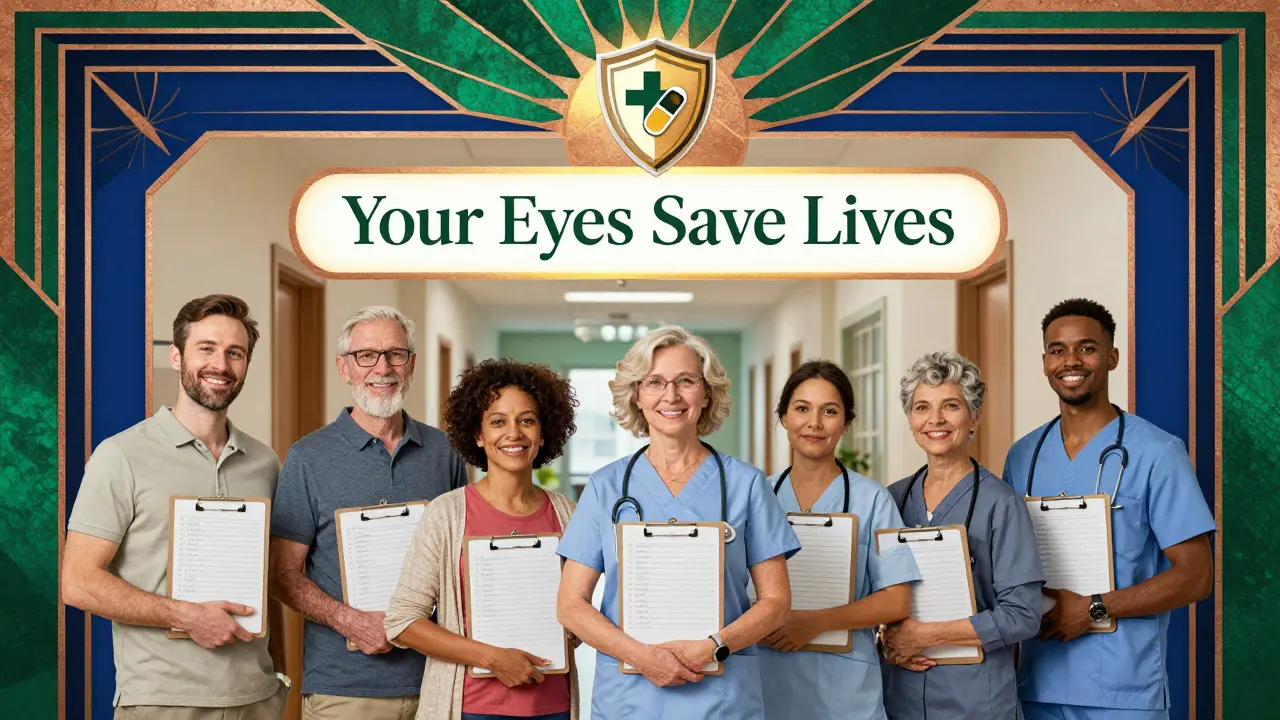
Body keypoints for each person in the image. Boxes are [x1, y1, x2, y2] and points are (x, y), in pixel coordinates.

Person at [555, 326, 801, 720]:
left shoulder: (746, 484)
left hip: (722, 696)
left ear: (706, 393)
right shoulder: (606, 486)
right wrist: (642, 657)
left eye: (686, 381)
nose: (671, 396)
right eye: (654, 382)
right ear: (637, 395)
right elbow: (570, 605)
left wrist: (712, 647)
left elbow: (777, 603)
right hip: (629, 697)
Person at [61, 294, 288, 718]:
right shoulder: (121, 455)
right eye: (207, 348)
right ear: (177, 356)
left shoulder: (265, 462)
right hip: (162, 702)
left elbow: (267, 580)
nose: (220, 364)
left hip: (256, 700)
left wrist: (280, 678)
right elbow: (78, 582)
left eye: (235, 353)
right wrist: (187, 616)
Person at [1003, 299, 1215, 720]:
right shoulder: (1023, 456)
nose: (1071, 361)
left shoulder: (1157, 452)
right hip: (1035, 684)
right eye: (1057, 350)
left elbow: (1197, 576)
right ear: (1044, 362)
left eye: (1087, 348)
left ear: (1112, 357)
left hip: (1122, 691)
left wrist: (1094, 608)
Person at [269, 306, 468, 720]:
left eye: (396, 354)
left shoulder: (445, 452)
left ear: (411, 364)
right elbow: (281, 573)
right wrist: (348, 620)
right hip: (344, 690)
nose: (383, 368)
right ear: (344, 367)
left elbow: (460, 562)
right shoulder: (308, 457)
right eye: (366, 355)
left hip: (438, 680)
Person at [383, 359, 581, 720]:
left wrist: (574, 630)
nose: (514, 433)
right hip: (470, 708)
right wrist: (493, 658)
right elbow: (403, 622)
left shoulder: (568, 514)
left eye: (527, 420)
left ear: (543, 433)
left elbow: (578, 610)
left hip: (553, 706)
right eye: (498, 421)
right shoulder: (446, 514)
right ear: (478, 435)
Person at [881, 351, 1045, 719]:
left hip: (976, 698)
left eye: (950, 406)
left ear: (974, 416)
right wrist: (887, 639)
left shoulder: (1001, 503)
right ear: (910, 419)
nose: (935, 419)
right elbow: (874, 596)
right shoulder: (892, 499)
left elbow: (1023, 614)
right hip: (901, 695)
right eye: (922, 407)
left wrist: (928, 635)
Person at [757, 360, 919, 720]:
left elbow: (896, 601)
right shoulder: (758, 497)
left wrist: (816, 622)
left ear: (846, 423)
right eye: (802, 409)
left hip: (846, 692)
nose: (814, 423)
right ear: (783, 417)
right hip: (768, 681)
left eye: (829, 411)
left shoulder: (874, 500)